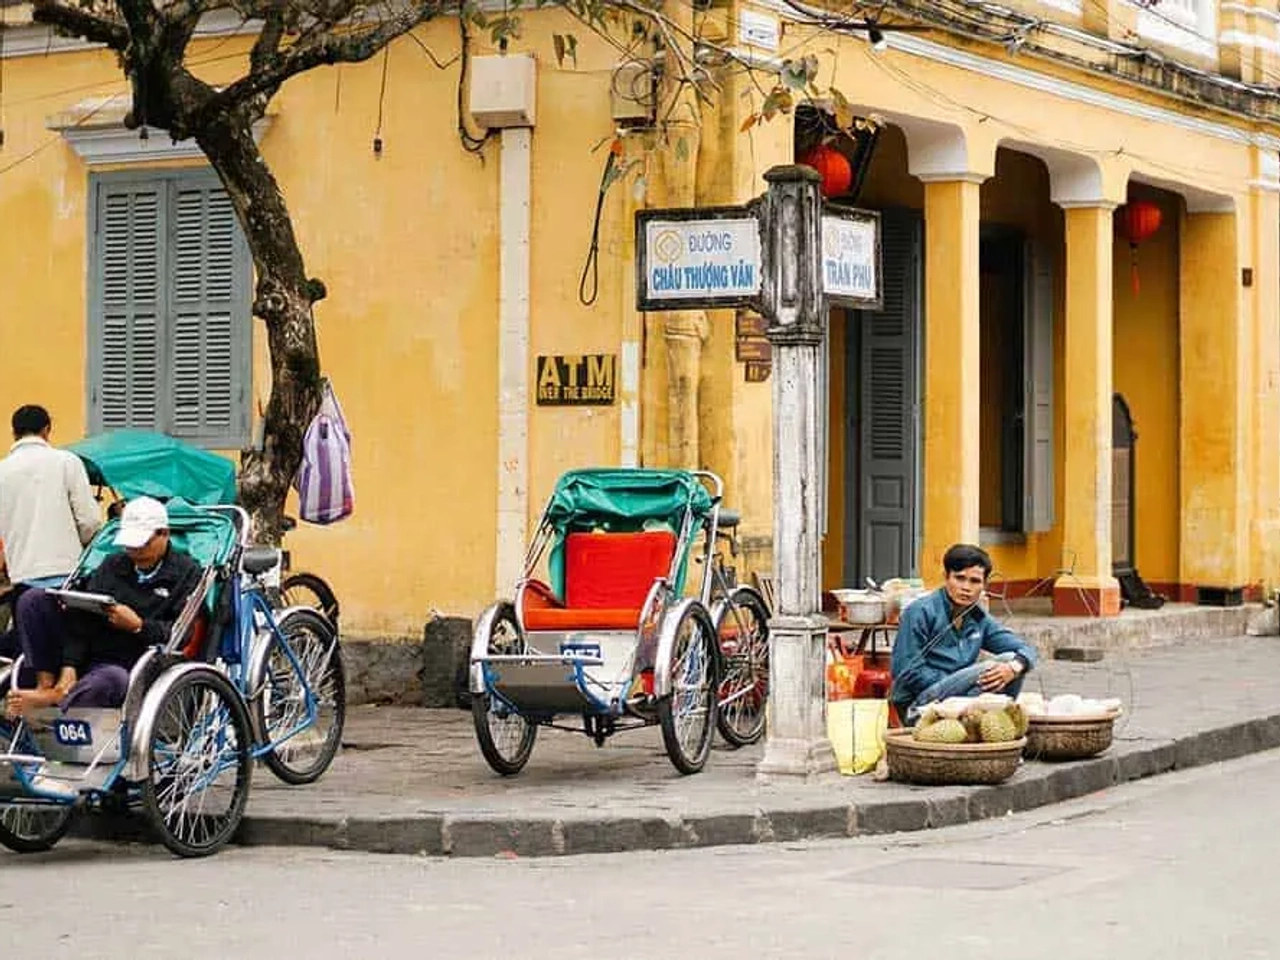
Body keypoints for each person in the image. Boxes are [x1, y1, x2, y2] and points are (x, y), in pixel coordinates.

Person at [4, 496, 202, 719]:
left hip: (128, 663)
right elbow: (82, 616)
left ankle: (60, 699)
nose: (135, 551)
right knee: (33, 599)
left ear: (164, 534)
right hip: (87, 648)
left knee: (110, 681)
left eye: (142, 543)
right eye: (130, 544)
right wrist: (69, 667)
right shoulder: (113, 564)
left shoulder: (187, 572)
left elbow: (180, 634)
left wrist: (138, 625)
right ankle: (47, 687)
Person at [890, 543, 1037, 725]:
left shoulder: (978, 617)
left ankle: (998, 723)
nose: (966, 587)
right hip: (920, 705)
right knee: (988, 668)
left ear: (984, 584)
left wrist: (1014, 667)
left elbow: (1026, 649)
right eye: (959, 578)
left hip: (957, 697)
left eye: (974, 581)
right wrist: (961, 681)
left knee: (1010, 660)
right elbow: (905, 671)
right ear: (946, 577)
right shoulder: (920, 611)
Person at [0, 405, 103, 591]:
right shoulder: (67, 462)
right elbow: (90, 521)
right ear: (47, 430)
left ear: (14, 433)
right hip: (66, 573)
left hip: (22, 576)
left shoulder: (2, 471)